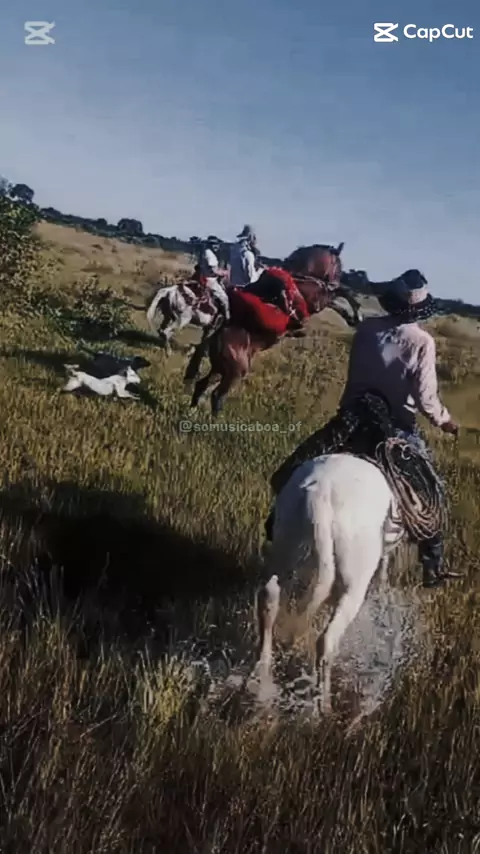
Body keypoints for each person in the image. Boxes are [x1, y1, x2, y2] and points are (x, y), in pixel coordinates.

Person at [268, 271, 459, 589]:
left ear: (391, 301)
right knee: (432, 493)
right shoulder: (422, 341)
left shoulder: (367, 329)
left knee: (292, 470)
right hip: (395, 428)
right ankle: (432, 564)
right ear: (420, 309)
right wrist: (445, 420)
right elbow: (426, 399)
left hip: (351, 420)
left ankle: (275, 523)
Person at [198, 236, 231, 321]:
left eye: (217, 244)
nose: (216, 246)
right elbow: (214, 271)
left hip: (203, 277)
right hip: (210, 280)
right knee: (225, 298)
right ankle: (227, 318)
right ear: (209, 244)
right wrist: (226, 272)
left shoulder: (205, 252)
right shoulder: (210, 255)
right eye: (213, 244)